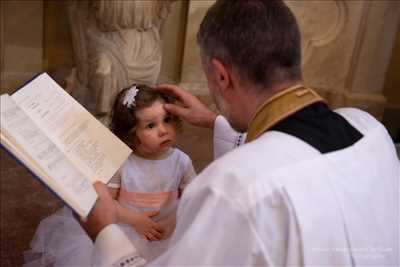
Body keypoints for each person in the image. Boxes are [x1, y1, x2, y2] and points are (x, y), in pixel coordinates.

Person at [81, 0, 399, 266]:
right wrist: (215, 121)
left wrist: (105, 232)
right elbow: (292, 151)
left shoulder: (230, 186)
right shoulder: (368, 128)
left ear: (221, 75)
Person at [24, 85, 196, 266]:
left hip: (168, 232)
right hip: (127, 232)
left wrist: (173, 221)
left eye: (167, 119)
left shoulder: (181, 161)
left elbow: (193, 197)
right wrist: (134, 220)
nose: (163, 130)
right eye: (150, 125)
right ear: (131, 133)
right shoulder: (122, 163)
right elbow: (107, 202)